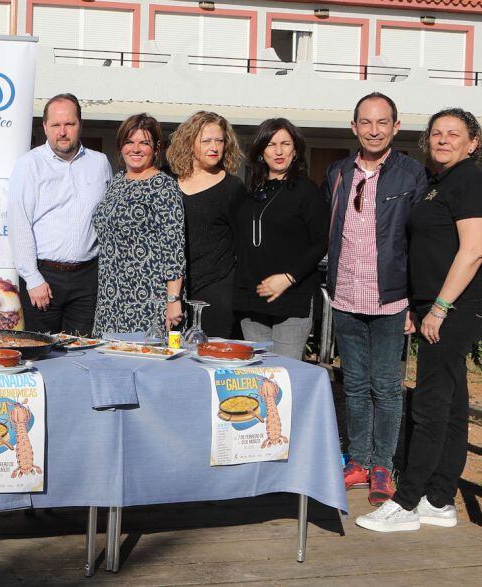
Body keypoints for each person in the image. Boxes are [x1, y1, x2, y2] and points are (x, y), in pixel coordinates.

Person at [357, 108, 482, 533]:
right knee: (451, 406)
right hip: (435, 304)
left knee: (428, 406)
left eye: (454, 134)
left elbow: (473, 250)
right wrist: (419, 305)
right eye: (437, 133)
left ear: (473, 143)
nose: (443, 139)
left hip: (454, 307)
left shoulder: (469, 179)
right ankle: (440, 499)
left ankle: (406, 502)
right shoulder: (439, 182)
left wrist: (440, 308)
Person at [324, 93, 427, 506]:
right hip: (346, 295)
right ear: (354, 127)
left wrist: (415, 301)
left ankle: (382, 465)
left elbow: (419, 243)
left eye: (382, 122)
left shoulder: (412, 174)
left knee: (386, 387)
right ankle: (359, 461)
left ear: (396, 127)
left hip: (391, 299)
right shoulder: (337, 172)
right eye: (365, 122)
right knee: (353, 384)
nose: (374, 130)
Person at [8, 93, 112, 336]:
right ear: (45, 127)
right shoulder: (30, 164)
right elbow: (19, 222)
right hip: (44, 278)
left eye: (69, 124)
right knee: (43, 350)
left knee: (83, 350)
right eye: (55, 125)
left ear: (80, 124)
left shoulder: (100, 163)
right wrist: (32, 278)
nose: (62, 132)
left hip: (88, 279)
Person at [233, 119, 329, 360]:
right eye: (271, 144)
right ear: (261, 151)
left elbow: (321, 242)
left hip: (291, 298)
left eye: (285, 144)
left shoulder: (307, 191)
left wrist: (288, 278)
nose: (278, 151)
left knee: (284, 373)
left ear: (295, 150)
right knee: (257, 371)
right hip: (251, 299)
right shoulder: (250, 192)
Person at [92, 113, 185, 336]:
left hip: (148, 299)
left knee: (143, 355)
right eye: (129, 142)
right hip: (110, 296)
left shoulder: (164, 186)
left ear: (156, 148)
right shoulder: (117, 181)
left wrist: (173, 299)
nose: (136, 149)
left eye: (144, 143)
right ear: (120, 146)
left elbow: (174, 248)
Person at [166, 111, 246, 338]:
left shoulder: (233, 188)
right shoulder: (167, 180)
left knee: (209, 353)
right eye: (206, 141)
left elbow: (242, 244)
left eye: (219, 141)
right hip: (171, 287)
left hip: (216, 286)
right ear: (189, 143)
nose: (214, 147)